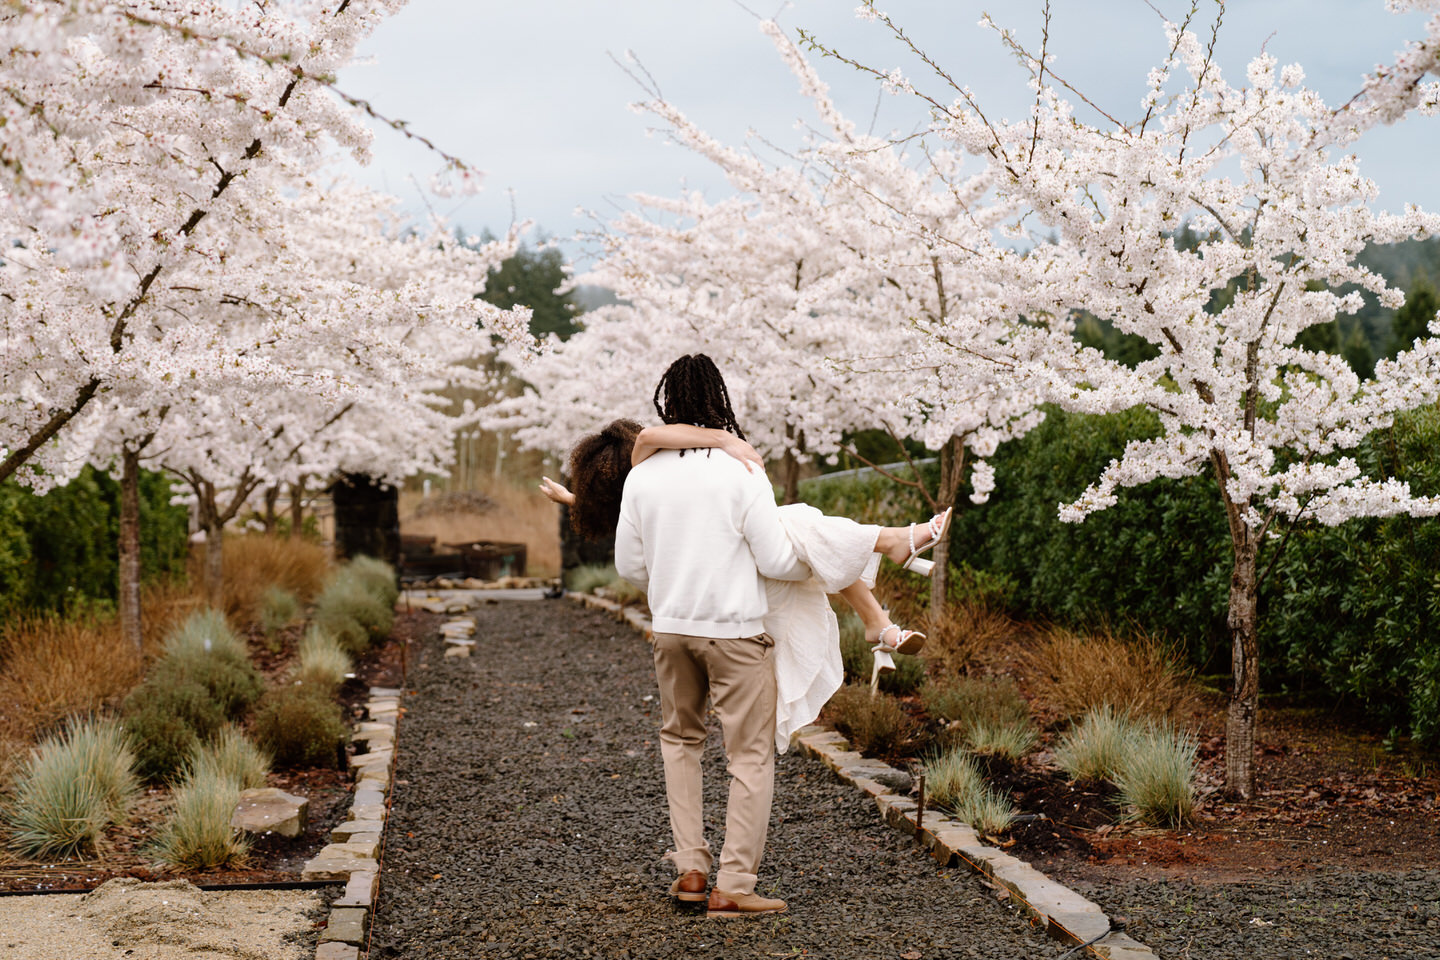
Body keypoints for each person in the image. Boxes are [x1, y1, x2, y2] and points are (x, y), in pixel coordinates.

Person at [541, 355, 950, 916]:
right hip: (734, 634)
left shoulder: (642, 477)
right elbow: (779, 560)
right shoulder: (741, 470)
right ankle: (733, 887)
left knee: (680, 743)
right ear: (720, 401)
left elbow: (632, 569)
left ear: (666, 403)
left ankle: (690, 871)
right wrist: (808, 555)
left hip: (671, 632)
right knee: (748, 758)